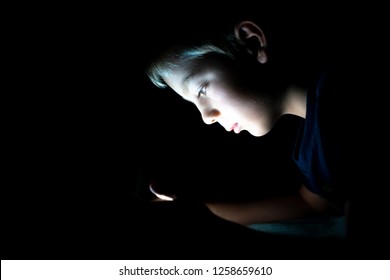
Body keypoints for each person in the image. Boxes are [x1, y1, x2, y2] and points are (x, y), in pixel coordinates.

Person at [138, 8, 387, 252]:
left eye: (201, 91)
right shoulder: (310, 147)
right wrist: (195, 210)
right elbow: (310, 203)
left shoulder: (344, 102)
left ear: (251, 42)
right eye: (194, 103)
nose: (206, 117)